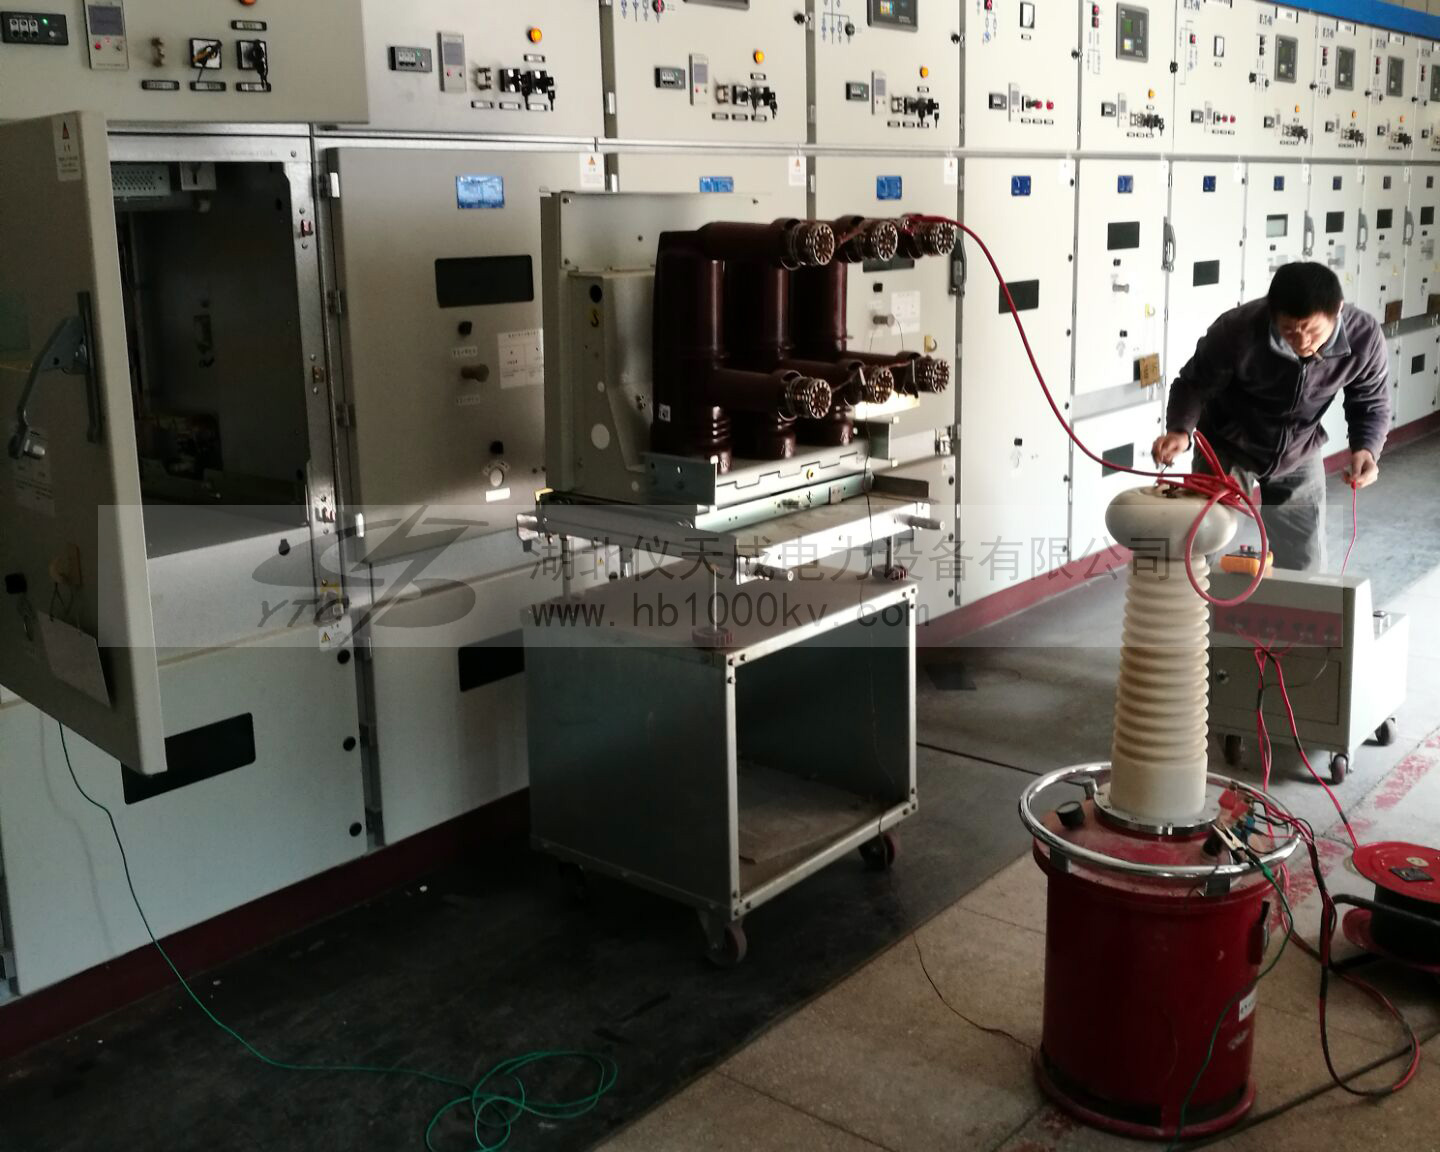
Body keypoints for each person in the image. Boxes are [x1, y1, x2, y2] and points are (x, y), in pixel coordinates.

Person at [1151, 262, 1391, 572]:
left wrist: (1366, 448)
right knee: (1203, 547)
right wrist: (1180, 430)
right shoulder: (1236, 330)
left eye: (1313, 331)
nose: (1302, 342)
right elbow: (1193, 384)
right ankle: (1195, 603)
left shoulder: (1364, 337)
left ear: (1338, 311)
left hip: (1299, 449)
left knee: (1305, 561)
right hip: (1228, 446)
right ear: (1271, 313)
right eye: (1289, 331)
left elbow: (1370, 401)